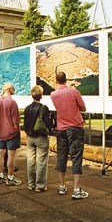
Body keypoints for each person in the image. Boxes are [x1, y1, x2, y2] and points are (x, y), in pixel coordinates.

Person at [50, 71, 88, 199]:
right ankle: (76, 189)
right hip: (75, 128)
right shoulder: (73, 92)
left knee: (62, 156)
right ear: (66, 79)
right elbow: (83, 108)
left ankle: (62, 186)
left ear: (56, 80)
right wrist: (72, 89)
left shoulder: (53, 94)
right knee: (76, 157)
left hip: (61, 129)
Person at [0, 82, 21, 186]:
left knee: (0, 154)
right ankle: (10, 177)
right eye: (13, 89)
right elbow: (16, 120)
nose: (14, 91)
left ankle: (0, 176)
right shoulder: (12, 102)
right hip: (11, 132)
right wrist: (17, 130)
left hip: (0, 132)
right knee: (11, 156)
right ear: (9, 89)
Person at [23, 85, 53, 192]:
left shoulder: (27, 108)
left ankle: (31, 184)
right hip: (41, 136)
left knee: (30, 161)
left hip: (30, 137)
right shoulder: (43, 108)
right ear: (41, 95)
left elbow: (25, 123)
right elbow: (48, 122)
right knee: (41, 161)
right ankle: (40, 185)